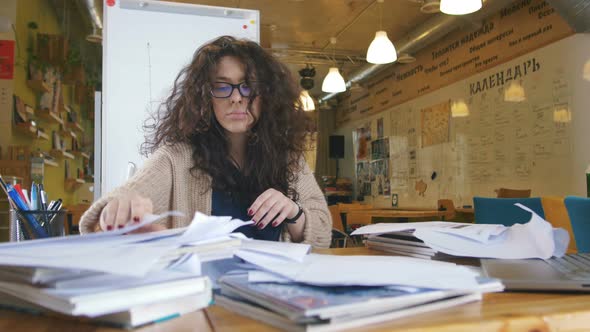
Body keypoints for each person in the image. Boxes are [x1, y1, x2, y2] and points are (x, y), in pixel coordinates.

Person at [79, 36, 332, 248]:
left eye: (248, 86)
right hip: (206, 297)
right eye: (222, 87)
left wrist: (293, 212)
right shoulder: (176, 157)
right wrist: (117, 211)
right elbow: (107, 214)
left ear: (266, 95)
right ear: (204, 97)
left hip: (275, 294)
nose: (236, 98)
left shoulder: (288, 158)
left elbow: (323, 235)